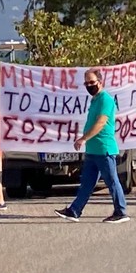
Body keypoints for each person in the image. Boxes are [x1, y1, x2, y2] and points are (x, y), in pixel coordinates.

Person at [55, 69, 129, 223]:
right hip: (93, 149)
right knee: (87, 183)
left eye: (92, 82)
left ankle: (121, 211)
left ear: (100, 82)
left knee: (111, 180)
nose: (89, 85)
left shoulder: (105, 100)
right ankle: (74, 210)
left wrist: (83, 138)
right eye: (86, 83)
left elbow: (101, 123)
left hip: (104, 148)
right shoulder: (95, 100)